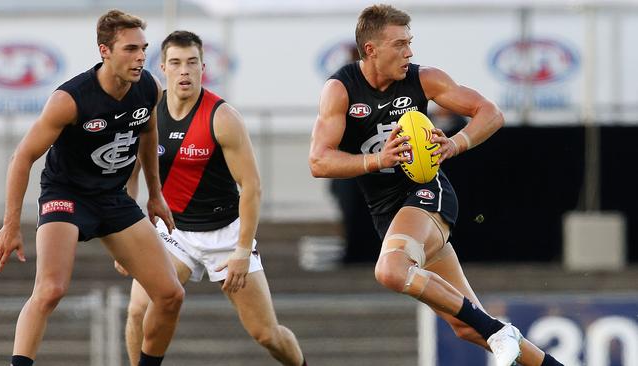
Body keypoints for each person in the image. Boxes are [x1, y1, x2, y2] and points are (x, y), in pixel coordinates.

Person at [308, 5, 562, 366]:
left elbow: (491, 112)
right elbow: (319, 161)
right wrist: (379, 160)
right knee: (465, 326)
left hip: (427, 194)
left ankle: (497, 330)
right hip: (387, 213)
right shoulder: (340, 90)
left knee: (390, 270)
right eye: (399, 44)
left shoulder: (424, 78)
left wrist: (456, 143)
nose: (409, 52)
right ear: (371, 50)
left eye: (410, 43)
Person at [0, 10, 184, 366]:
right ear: (104, 51)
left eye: (143, 48)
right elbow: (22, 157)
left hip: (112, 198)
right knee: (50, 291)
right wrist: (11, 224)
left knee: (171, 295)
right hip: (67, 196)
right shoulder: (70, 99)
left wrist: (155, 196)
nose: (141, 57)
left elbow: (149, 133)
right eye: (130, 49)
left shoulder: (149, 87)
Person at [115, 30, 307, 366]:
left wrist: (243, 251)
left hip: (226, 235)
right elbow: (128, 177)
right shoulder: (147, 111)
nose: (184, 71)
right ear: (162, 68)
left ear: (204, 67)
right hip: (174, 232)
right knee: (137, 310)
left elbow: (251, 186)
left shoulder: (223, 117)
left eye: (192, 63)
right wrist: (126, 238)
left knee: (266, 334)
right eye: (176, 63)